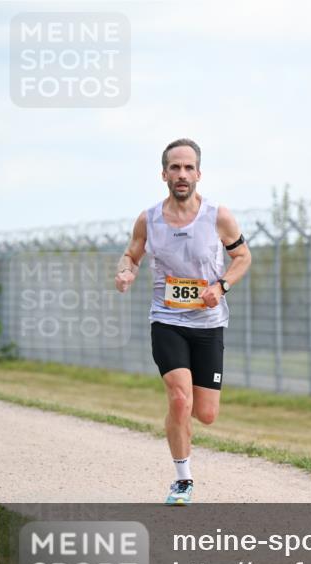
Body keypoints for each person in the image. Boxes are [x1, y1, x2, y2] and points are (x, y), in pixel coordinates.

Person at [114, 138, 252, 505]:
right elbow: (131, 254)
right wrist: (126, 272)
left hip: (208, 324)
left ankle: (184, 425)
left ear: (199, 174)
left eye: (188, 167)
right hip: (167, 319)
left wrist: (220, 287)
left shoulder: (217, 216)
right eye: (175, 167)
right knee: (178, 399)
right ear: (164, 174)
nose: (182, 174)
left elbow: (242, 258)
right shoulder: (149, 219)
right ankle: (183, 479)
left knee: (204, 414)